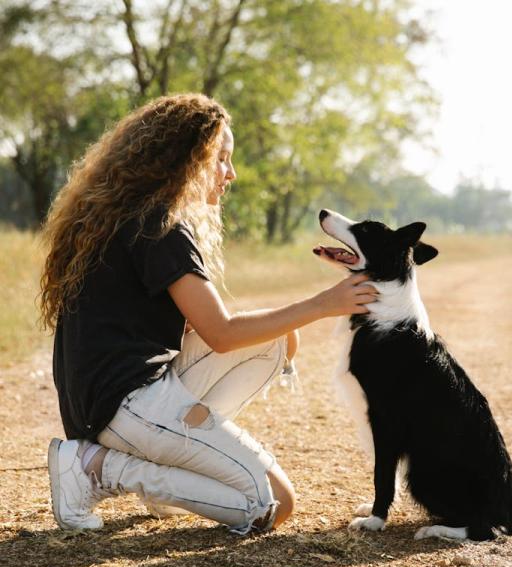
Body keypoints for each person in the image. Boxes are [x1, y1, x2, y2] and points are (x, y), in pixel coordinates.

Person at [40, 93, 378, 535]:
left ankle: (156, 460)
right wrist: (323, 304)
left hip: (107, 401)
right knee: (274, 504)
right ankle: (99, 469)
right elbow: (219, 333)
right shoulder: (160, 225)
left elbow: (190, 326)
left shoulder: (127, 214)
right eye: (221, 159)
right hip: (124, 407)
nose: (230, 173)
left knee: (276, 342)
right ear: (187, 160)